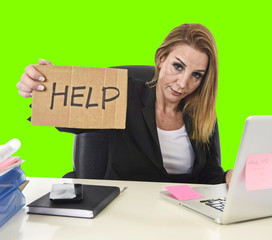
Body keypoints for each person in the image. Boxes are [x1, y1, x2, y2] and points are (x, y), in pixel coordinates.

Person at [17, 23, 233, 184]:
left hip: (182, 217)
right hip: (124, 213)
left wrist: (230, 177)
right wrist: (44, 86)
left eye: (196, 75)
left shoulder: (201, 113)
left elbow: (208, 175)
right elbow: (68, 118)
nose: (184, 83)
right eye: (178, 66)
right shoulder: (122, 93)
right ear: (161, 59)